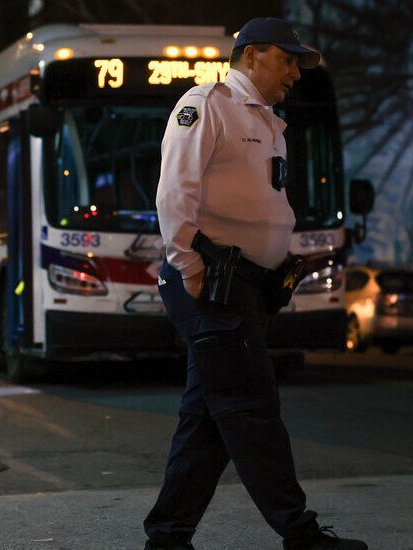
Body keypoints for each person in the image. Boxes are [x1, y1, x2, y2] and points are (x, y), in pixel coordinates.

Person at [144, 18, 366, 550]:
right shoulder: (208, 105)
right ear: (252, 54)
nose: (295, 72)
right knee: (252, 410)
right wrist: (191, 269)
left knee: (208, 420)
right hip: (213, 284)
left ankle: (168, 537)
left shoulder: (267, 119)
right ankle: (300, 533)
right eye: (287, 60)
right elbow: (175, 195)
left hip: (245, 285)